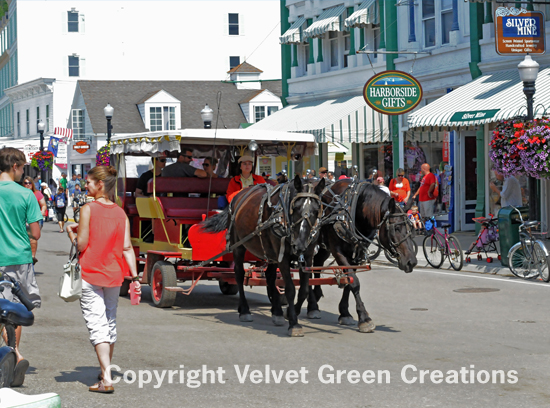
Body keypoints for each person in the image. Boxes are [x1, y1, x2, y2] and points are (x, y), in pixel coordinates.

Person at [66, 166, 141, 394]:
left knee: (97, 325)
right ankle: (104, 370)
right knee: (109, 322)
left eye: (88, 182)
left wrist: (71, 233)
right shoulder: (120, 213)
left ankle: (107, 379)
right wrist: (135, 277)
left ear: (100, 185)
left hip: (91, 273)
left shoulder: (88, 209)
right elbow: (127, 247)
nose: (85, 185)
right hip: (114, 275)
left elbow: (81, 244)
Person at [0, 147, 42, 387]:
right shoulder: (26, 194)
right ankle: (14, 353)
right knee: (14, 311)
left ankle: (11, 356)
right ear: (15, 166)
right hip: (19, 256)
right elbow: (35, 233)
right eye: (23, 167)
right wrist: (19, 230)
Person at [22, 176, 47, 264]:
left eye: (29, 183)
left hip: (35, 218)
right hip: (23, 218)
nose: (28, 185)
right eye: (26, 183)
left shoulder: (37, 193)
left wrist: (42, 212)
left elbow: (43, 205)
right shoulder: (21, 193)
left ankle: (32, 256)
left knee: (33, 238)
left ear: (32, 184)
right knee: (24, 239)